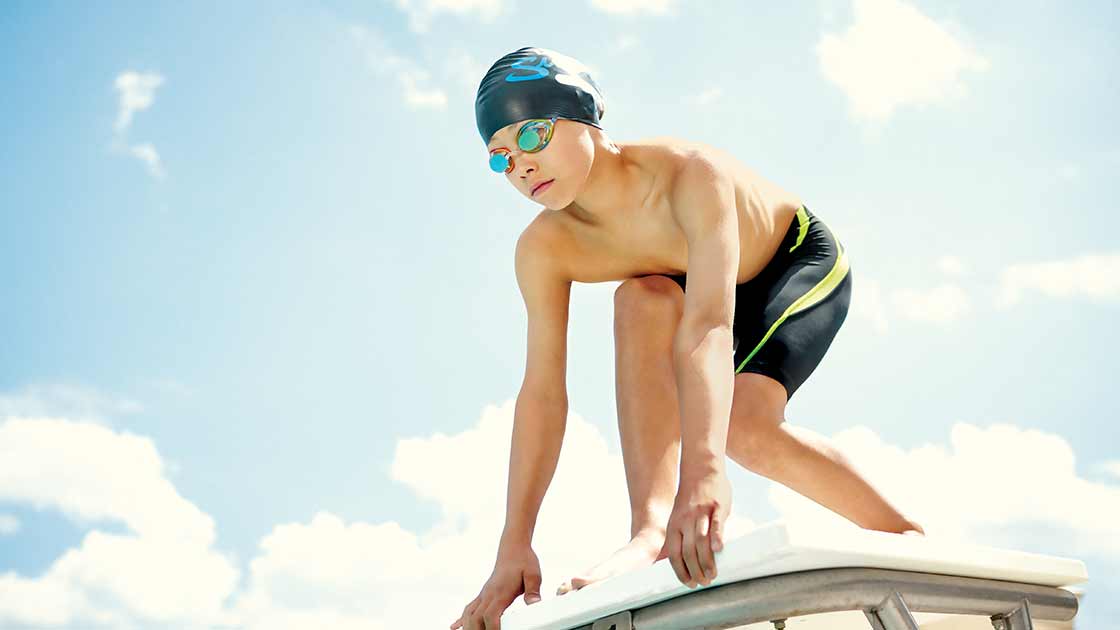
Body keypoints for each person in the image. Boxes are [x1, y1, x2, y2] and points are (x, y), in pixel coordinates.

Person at [451, 46, 925, 630]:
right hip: (682, 282)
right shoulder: (545, 248)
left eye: (531, 136)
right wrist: (513, 544)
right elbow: (542, 395)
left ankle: (904, 537)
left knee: (745, 430)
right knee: (640, 298)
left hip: (788, 260)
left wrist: (704, 475)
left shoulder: (689, 173)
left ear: (585, 117)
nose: (519, 166)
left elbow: (708, 325)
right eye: (499, 156)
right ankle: (648, 533)